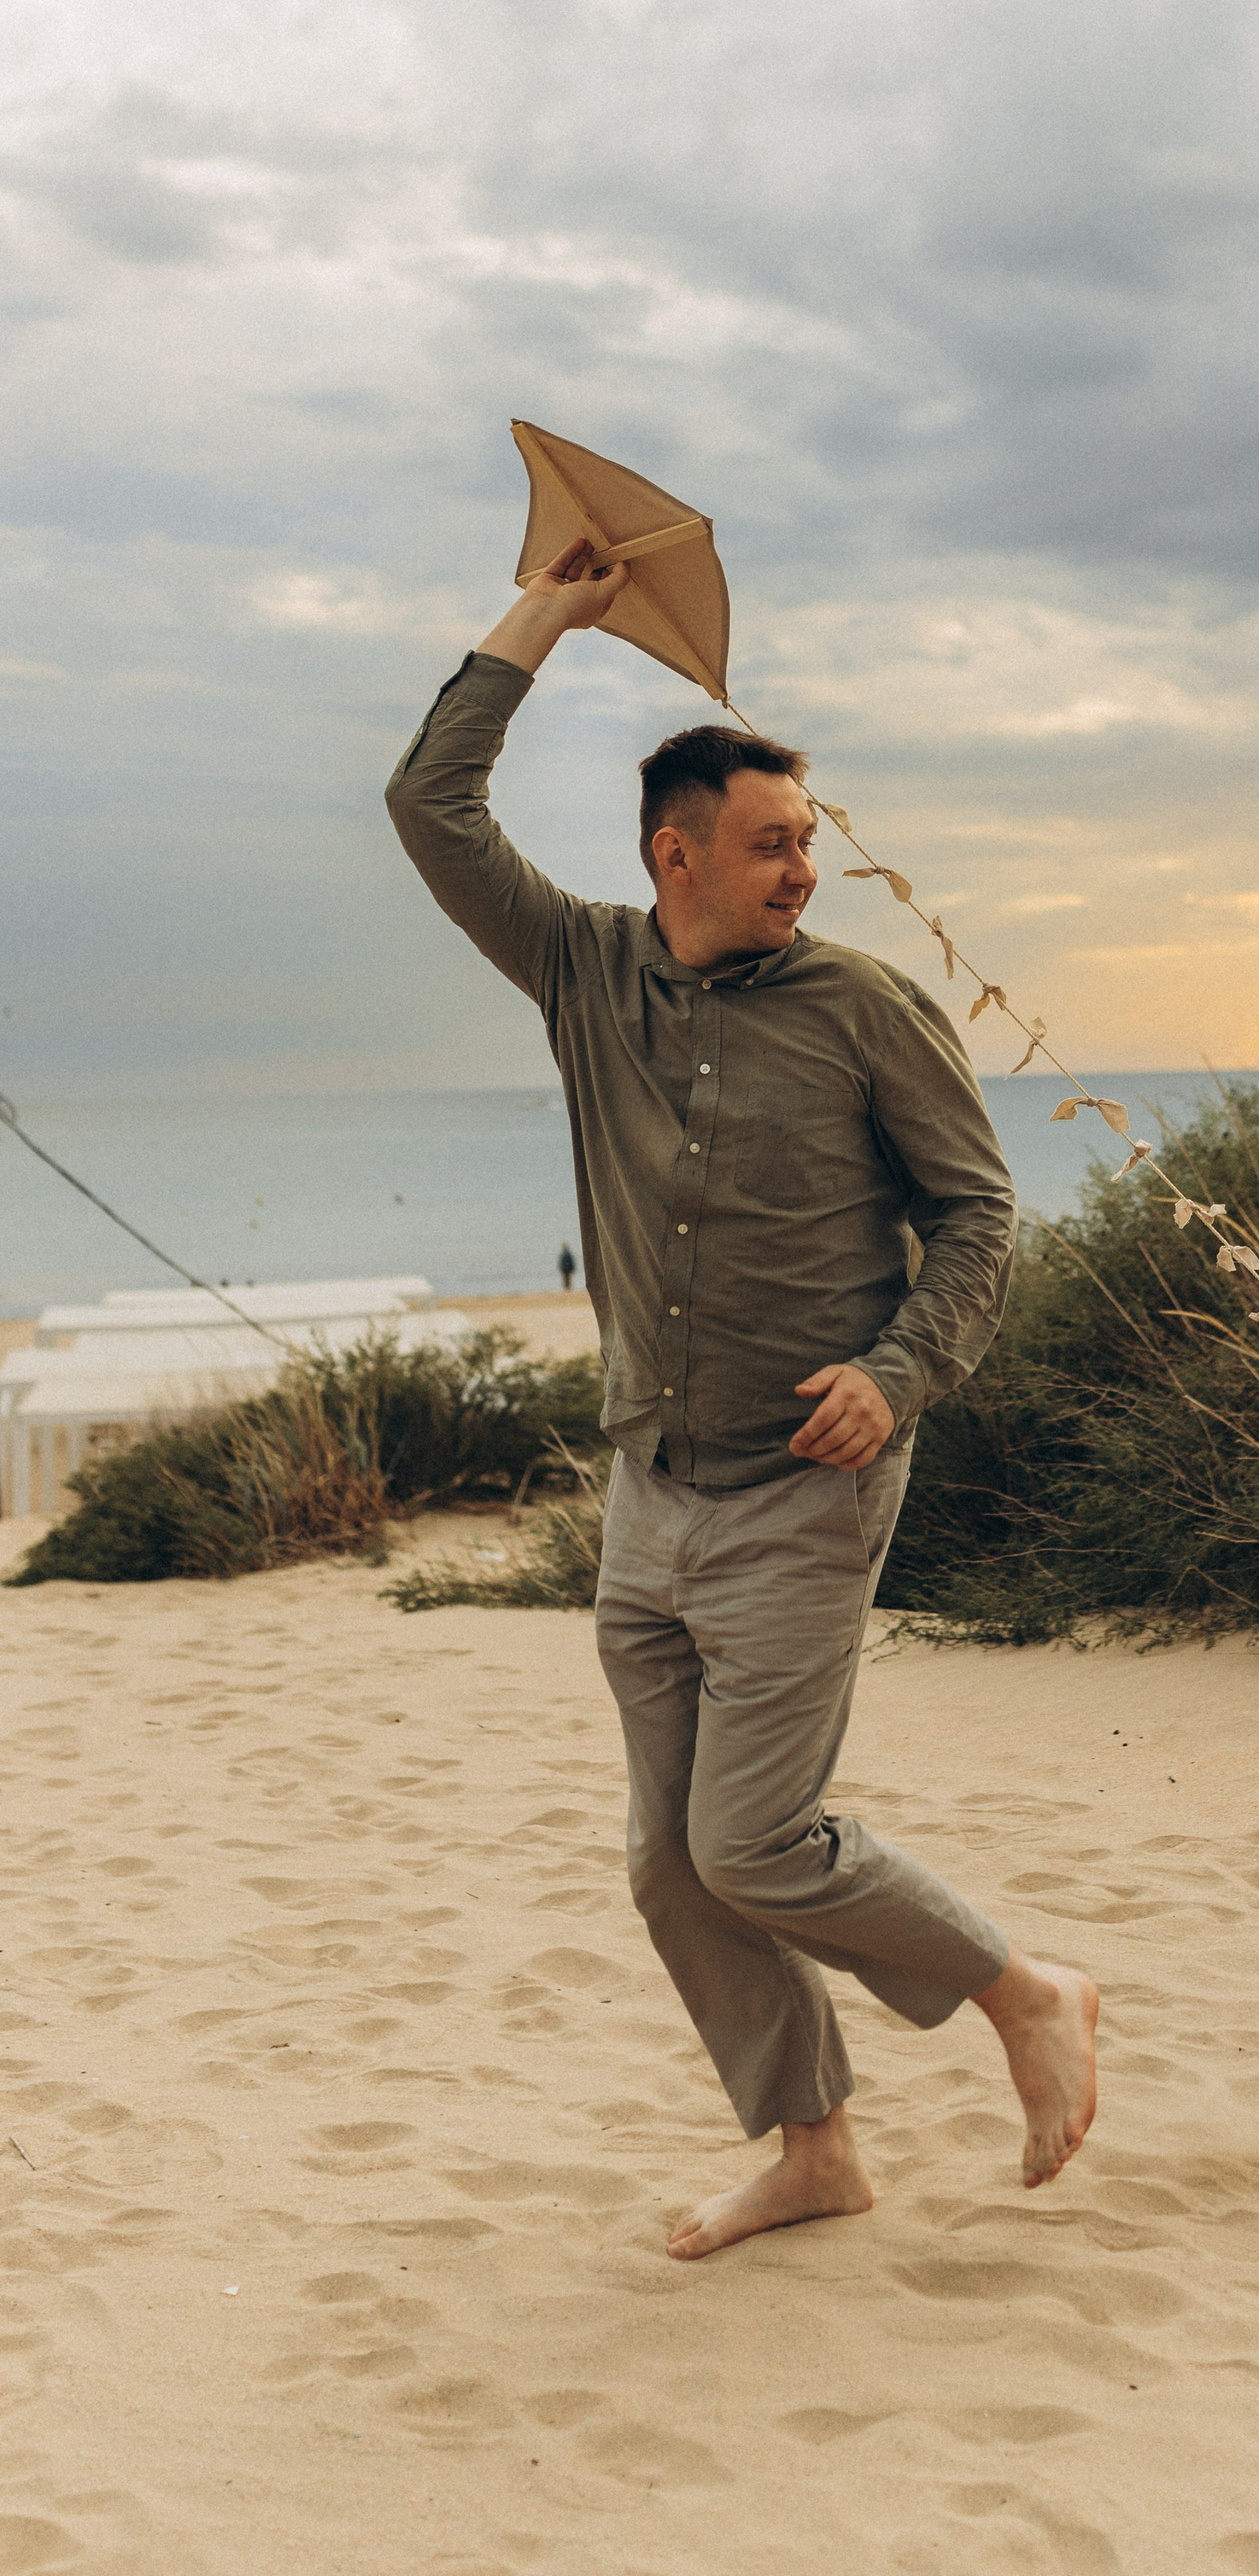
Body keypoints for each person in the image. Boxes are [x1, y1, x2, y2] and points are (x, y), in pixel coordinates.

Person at [386, 533, 1098, 2254]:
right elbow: (430, 804)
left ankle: (1022, 1996)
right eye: (772, 847)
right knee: (665, 1863)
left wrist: (898, 1369)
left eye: (804, 845)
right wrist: (552, 609)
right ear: (672, 853)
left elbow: (981, 1216)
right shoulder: (581, 972)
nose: (802, 874)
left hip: (807, 1484)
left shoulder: (866, 1007)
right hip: (649, 1489)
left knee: (756, 1840)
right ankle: (815, 2150)